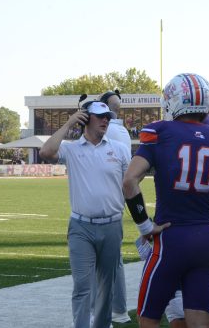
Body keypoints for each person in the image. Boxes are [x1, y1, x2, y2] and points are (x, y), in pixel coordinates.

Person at [122, 73, 209, 328]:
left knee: (148, 316)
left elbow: (129, 181)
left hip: (170, 236)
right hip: (206, 238)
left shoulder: (160, 131)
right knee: (198, 313)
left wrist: (145, 226)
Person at [39, 101, 130, 328]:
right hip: (81, 228)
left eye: (107, 116)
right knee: (82, 288)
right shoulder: (71, 149)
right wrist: (69, 122)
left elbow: (131, 187)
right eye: (100, 116)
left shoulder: (119, 150)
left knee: (106, 288)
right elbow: (46, 152)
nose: (105, 120)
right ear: (85, 119)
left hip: (112, 226)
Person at [97, 90, 132, 324]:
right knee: (113, 259)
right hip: (117, 198)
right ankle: (118, 308)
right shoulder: (123, 131)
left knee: (104, 262)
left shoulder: (108, 130)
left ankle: (112, 310)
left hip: (105, 200)